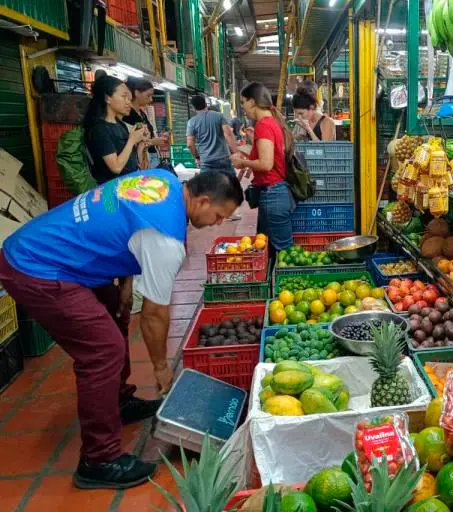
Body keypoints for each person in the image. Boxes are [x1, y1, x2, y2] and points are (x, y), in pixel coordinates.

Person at [0, 170, 243, 490]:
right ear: (202, 200)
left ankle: (119, 401)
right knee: (103, 350)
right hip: (38, 266)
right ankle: (98, 460)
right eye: (218, 216)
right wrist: (161, 369)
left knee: (115, 310)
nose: (217, 223)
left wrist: (125, 279)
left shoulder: (163, 181)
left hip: (50, 246)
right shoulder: (165, 238)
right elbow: (154, 314)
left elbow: (122, 220)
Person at [233, 82, 295, 254]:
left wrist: (242, 163)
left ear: (252, 102)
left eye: (243, 102)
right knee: (266, 251)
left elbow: (266, 164)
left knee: (283, 254)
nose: (243, 107)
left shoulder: (264, 125)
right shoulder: (270, 123)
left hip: (273, 195)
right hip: (275, 194)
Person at [85, 75, 148, 184]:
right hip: (112, 191)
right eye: (124, 97)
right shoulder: (99, 129)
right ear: (107, 98)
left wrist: (141, 143)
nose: (128, 102)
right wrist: (132, 140)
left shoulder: (119, 124)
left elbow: (131, 163)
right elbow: (116, 167)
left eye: (129, 98)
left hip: (128, 185)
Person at [186, 94, 238, 175]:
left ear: (193, 108)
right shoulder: (219, 116)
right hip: (223, 159)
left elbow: (190, 144)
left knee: (207, 187)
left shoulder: (191, 122)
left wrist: (197, 157)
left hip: (206, 161)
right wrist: (236, 153)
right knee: (231, 185)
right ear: (206, 104)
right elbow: (228, 134)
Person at [123, 77, 167, 169]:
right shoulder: (128, 116)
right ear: (136, 93)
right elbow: (133, 143)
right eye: (148, 95)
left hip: (150, 157)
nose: (151, 99)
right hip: (141, 161)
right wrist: (152, 142)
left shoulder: (141, 113)